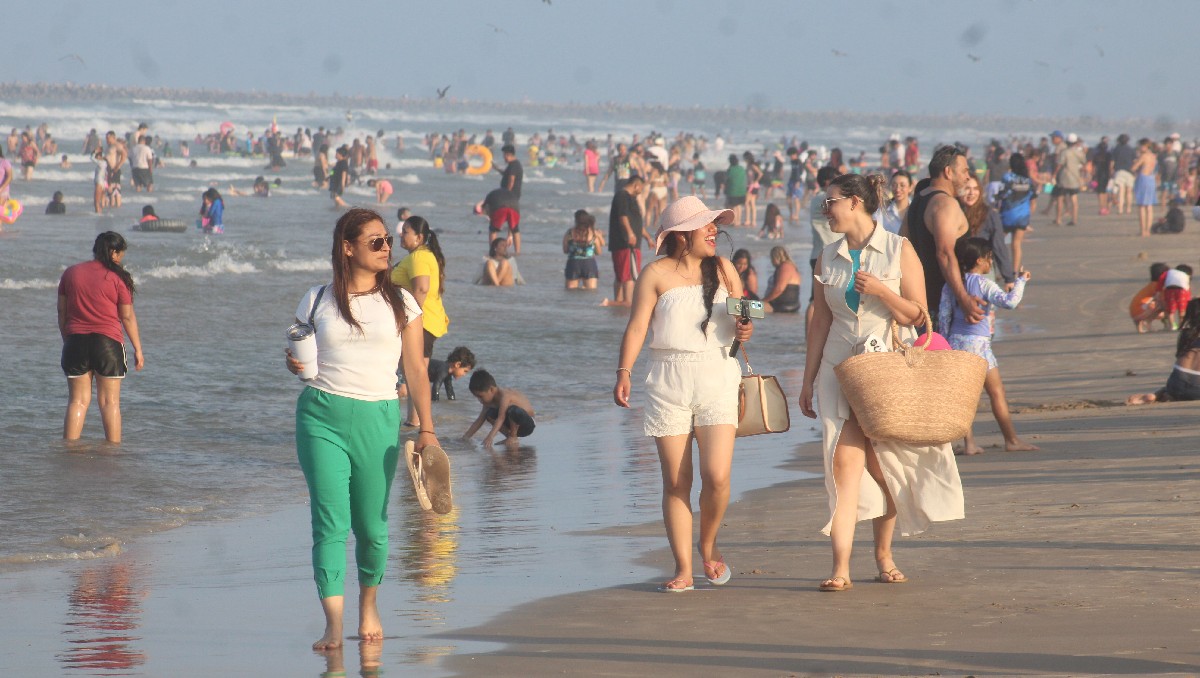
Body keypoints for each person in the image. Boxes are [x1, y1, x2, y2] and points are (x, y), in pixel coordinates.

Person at [799, 172, 964, 593]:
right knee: (842, 463)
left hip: (887, 369)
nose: (826, 209)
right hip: (838, 368)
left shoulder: (898, 248)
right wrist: (807, 378)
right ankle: (840, 567)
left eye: (831, 201)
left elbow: (919, 317)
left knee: (883, 464)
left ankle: (884, 555)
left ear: (855, 202)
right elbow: (819, 320)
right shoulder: (827, 255)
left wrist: (882, 292)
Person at [284, 208, 438, 651]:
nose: (386, 247)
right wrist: (293, 362)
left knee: (372, 526)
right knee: (329, 524)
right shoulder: (316, 299)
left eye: (388, 240)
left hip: (379, 419)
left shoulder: (402, 302)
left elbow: (416, 369)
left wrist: (427, 429)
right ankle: (333, 623)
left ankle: (368, 603)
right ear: (347, 247)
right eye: (375, 241)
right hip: (320, 417)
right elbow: (300, 356)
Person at [612, 195, 753, 593]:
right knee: (676, 482)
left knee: (717, 477)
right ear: (680, 234)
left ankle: (708, 545)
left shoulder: (725, 270)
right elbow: (638, 327)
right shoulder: (654, 274)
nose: (714, 231)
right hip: (667, 381)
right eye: (705, 225)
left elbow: (747, 317)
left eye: (713, 225)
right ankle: (683, 568)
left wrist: (745, 329)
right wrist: (624, 371)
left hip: (717, 375)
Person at [938, 238, 1037, 455]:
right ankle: (1011, 440)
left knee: (964, 397)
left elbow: (944, 317)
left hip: (955, 343)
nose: (990, 263)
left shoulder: (951, 285)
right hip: (979, 345)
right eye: (989, 259)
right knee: (996, 392)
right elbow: (1010, 302)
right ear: (980, 260)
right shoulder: (984, 284)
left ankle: (969, 444)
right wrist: (1021, 281)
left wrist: (944, 348)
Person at [58, 232, 145, 444]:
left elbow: (62, 313)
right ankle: (113, 454)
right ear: (113, 252)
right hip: (108, 343)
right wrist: (138, 349)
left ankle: (69, 453)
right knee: (109, 403)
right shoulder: (118, 278)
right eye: (121, 254)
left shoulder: (71, 273)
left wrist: (67, 339)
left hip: (75, 341)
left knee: (77, 401)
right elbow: (126, 316)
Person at [905, 145, 981, 328]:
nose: (967, 176)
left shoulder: (917, 202)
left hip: (921, 303)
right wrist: (963, 298)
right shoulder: (945, 204)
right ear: (948, 172)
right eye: (964, 171)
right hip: (944, 306)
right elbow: (945, 254)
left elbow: (903, 246)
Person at [391, 216, 449, 428]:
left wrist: (408, 319)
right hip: (427, 322)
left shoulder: (419, 257)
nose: (401, 234)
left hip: (421, 323)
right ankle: (414, 420)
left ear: (419, 237)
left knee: (413, 371)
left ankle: (416, 422)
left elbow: (422, 288)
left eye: (406, 231)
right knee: (413, 371)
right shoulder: (420, 256)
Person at [1127, 299, 1200, 404]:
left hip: (1177, 382)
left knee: (1171, 387)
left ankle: (1156, 395)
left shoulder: (1186, 334)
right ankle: (1161, 395)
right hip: (1197, 388)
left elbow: (1179, 355)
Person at [958, 175, 1015, 288]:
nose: (971, 193)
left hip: (983, 274)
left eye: (975, 189)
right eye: (967, 188)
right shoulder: (952, 213)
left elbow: (999, 247)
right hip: (958, 273)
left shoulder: (989, 215)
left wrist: (1008, 278)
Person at [602, 174, 649, 307]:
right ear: (636, 185)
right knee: (629, 276)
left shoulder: (630, 198)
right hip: (627, 243)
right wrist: (630, 234)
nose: (641, 192)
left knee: (621, 276)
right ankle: (618, 303)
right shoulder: (622, 196)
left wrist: (647, 238)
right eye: (641, 188)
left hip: (624, 242)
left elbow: (637, 223)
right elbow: (623, 218)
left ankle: (618, 303)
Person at [463, 369, 536, 448]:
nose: (479, 400)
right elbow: (479, 420)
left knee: (512, 410)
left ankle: (513, 437)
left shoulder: (505, 396)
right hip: (513, 426)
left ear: (491, 389)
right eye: (477, 397)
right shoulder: (488, 402)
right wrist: (465, 437)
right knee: (489, 413)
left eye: (480, 396)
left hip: (527, 425)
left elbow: (501, 418)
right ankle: (509, 436)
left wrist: (490, 437)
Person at [806, 167, 840, 331]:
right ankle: (810, 338)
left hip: (821, 252)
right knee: (816, 301)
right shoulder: (822, 198)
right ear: (828, 182)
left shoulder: (817, 198)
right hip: (824, 254)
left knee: (818, 300)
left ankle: (811, 337)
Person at [996, 153, 1034, 275]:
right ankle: (1014, 271)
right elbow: (1033, 198)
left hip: (1008, 215)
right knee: (1016, 244)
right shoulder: (1028, 181)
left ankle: (998, 270)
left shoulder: (1007, 177)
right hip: (1023, 216)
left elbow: (1001, 195)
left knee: (998, 243)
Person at [563, 209, 604, 290]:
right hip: (589, 264)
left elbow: (565, 250)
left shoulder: (569, 233)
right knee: (591, 293)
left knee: (570, 294)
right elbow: (599, 252)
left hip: (573, 264)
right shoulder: (593, 233)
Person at [1052, 133, 1085, 226]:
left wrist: (1054, 174)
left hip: (1064, 178)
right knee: (1074, 199)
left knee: (1060, 198)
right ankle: (1074, 219)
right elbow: (1084, 162)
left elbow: (1060, 164)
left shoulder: (1064, 152)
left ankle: (1058, 219)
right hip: (1075, 178)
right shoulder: (1079, 152)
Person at [478, 187, 521, 255]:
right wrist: (510, 235)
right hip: (515, 206)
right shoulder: (507, 193)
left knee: (493, 230)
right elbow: (511, 224)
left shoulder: (488, 199)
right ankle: (518, 252)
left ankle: (492, 252)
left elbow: (487, 212)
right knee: (515, 230)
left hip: (499, 205)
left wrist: (492, 220)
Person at [1131, 262, 1171, 333]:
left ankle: (1140, 327)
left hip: (1134, 312)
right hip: (1141, 313)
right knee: (1162, 305)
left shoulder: (1151, 285)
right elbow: (1162, 300)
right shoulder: (1157, 286)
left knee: (1152, 302)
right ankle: (1148, 322)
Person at [761, 246, 802, 313]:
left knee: (746, 308)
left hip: (782, 306)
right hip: (787, 304)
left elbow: (779, 289)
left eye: (771, 258)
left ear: (775, 257)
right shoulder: (791, 266)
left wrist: (763, 301)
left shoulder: (785, 267)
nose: (771, 261)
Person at [1132, 139, 1159, 237]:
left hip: (1143, 178)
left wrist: (1135, 162)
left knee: (1142, 206)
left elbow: (1134, 167)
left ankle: (1143, 230)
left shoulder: (1143, 156)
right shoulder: (1153, 156)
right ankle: (1148, 230)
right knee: (1149, 206)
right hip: (1151, 179)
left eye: (1140, 146)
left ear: (1144, 146)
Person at [875, 170, 912, 235]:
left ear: (910, 187)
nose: (897, 189)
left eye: (902, 185)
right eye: (894, 185)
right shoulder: (882, 210)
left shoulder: (916, 209)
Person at [1161, 264, 1193, 330]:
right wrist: (1188, 299)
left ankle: (1172, 326)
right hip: (1181, 291)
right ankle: (1181, 325)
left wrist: (1159, 290)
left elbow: (1162, 279)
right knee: (1182, 310)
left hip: (1169, 290)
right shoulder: (1186, 276)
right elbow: (1187, 289)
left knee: (1170, 311)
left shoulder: (1169, 272)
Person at [1111, 134, 1136, 215]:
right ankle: (1128, 208)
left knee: (1121, 191)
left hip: (1119, 171)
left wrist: (1111, 171)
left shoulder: (1116, 149)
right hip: (1129, 171)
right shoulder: (1131, 149)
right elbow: (1134, 161)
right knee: (1129, 191)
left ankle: (1120, 209)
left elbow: (1112, 161)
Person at [724, 154, 747, 226]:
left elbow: (727, 179)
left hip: (732, 191)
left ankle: (734, 221)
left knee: (733, 206)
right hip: (742, 191)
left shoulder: (730, 170)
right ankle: (738, 221)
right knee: (739, 206)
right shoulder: (742, 168)